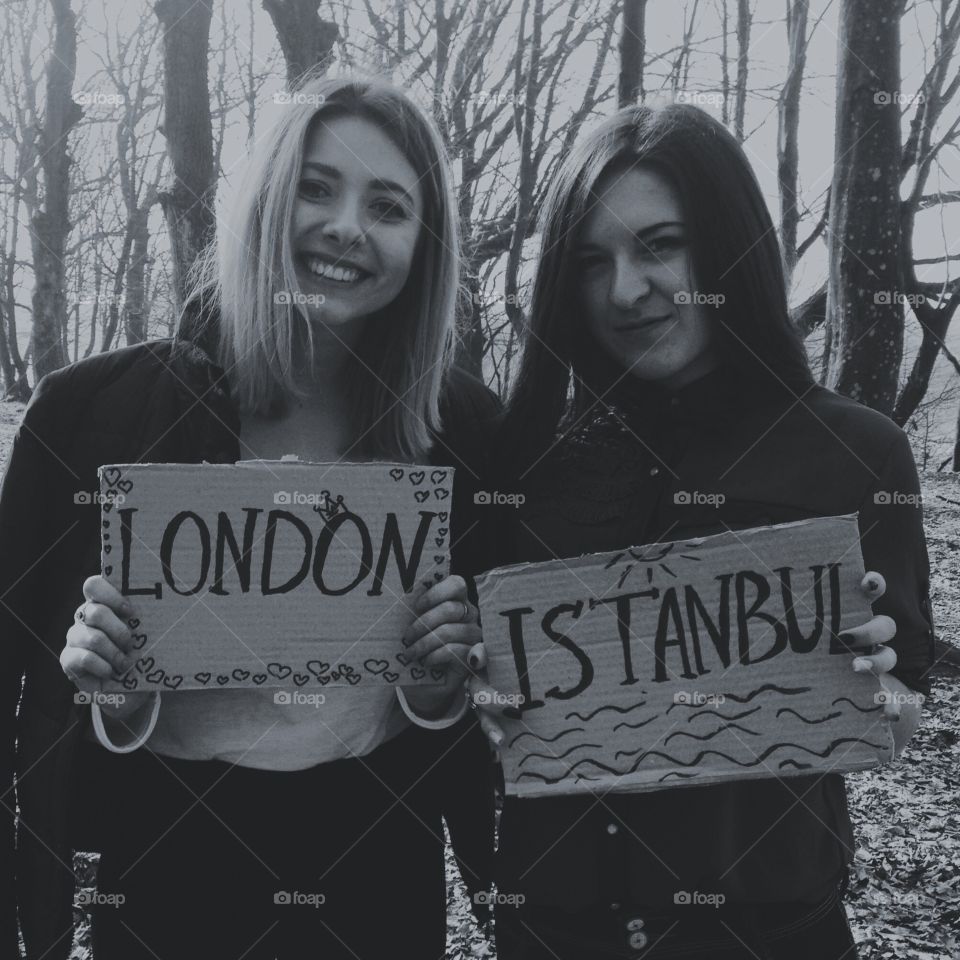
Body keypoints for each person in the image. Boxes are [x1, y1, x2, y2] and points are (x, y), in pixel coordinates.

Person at [0, 74, 496, 960]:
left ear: (425, 244)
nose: (347, 226)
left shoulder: (468, 431)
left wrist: (437, 690)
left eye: (387, 206)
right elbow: (46, 694)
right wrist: (117, 693)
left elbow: (491, 700)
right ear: (267, 200)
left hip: (378, 841)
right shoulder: (98, 411)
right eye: (317, 187)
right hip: (167, 846)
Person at [467, 103, 935, 959]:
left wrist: (879, 692)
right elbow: (471, 702)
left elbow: (906, 699)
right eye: (591, 261)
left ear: (729, 245)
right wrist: (476, 691)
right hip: (557, 933)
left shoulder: (855, 451)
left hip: (768, 933)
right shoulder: (528, 460)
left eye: (659, 245)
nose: (625, 290)